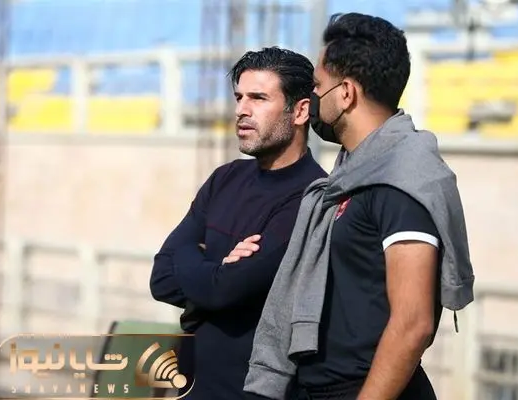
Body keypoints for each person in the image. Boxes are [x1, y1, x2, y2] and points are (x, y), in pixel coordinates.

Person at [242, 13, 475, 400]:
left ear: (346, 93)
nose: (312, 99)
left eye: (318, 86)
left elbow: (413, 323)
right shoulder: (351, 175)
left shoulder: (402, 181)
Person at [149, 46, 327, 400]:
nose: (241, 110)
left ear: (300, 111)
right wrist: (218, 269)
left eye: (258, 98)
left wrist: (197, 261)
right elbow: (161, 278)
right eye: (239, 97)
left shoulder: (311, 197)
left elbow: (224, 290)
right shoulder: (225, 178)